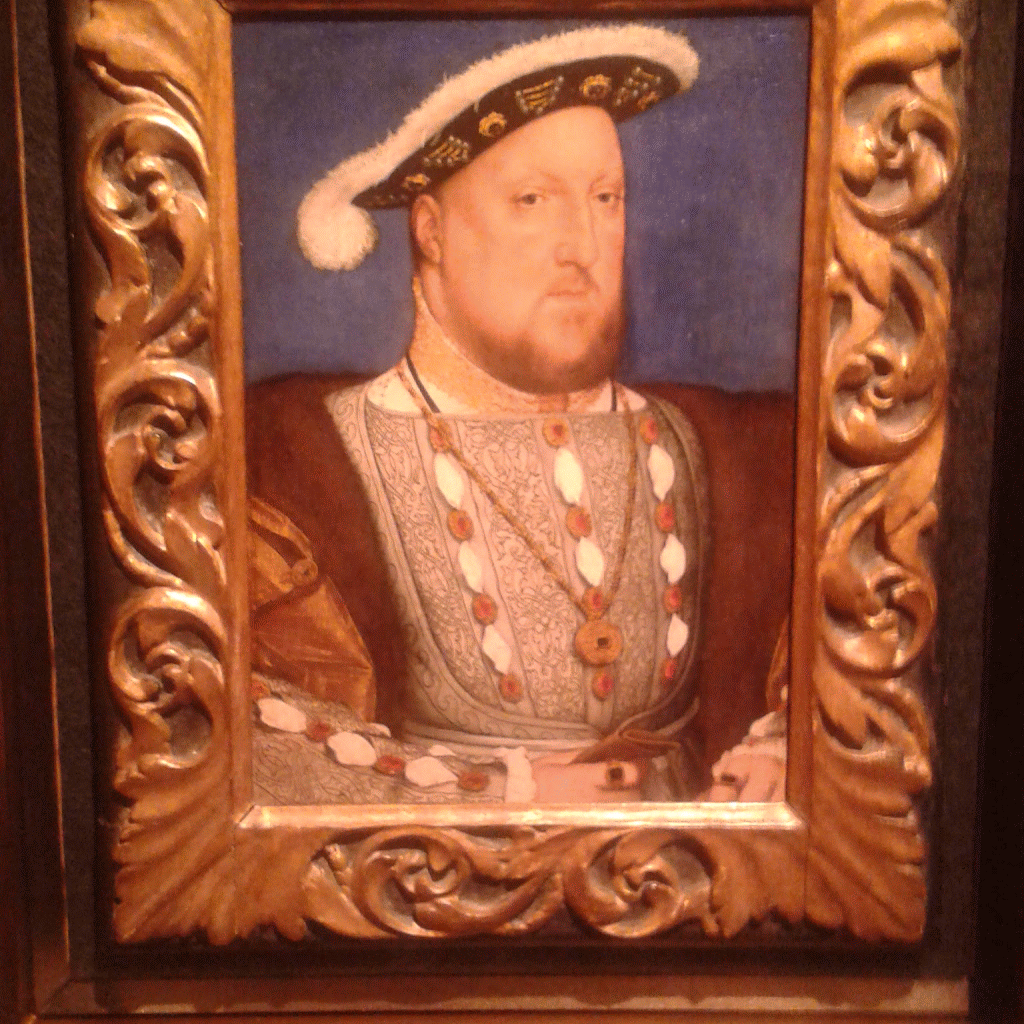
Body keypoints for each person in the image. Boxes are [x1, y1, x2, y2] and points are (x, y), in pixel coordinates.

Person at [245, 26, 792, 805]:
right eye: (533, 201)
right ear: (430, 230)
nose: (582, 245)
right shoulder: (290, 461)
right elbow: (225, 729)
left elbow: (852, 653)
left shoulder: (734, 449)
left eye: (605, 199)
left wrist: (790, 754)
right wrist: (495, 794)